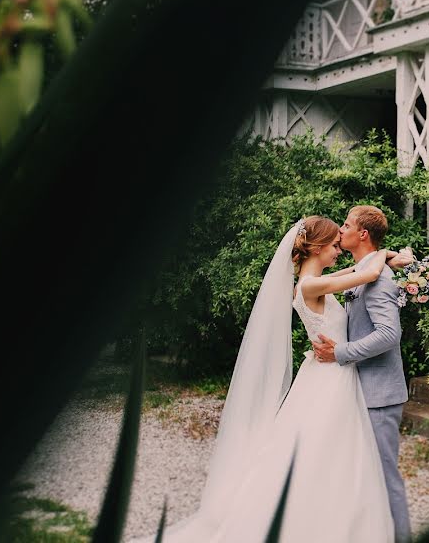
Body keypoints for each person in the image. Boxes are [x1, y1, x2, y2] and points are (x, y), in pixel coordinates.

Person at [132, 215, 413, 542]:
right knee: (328, 454)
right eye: (334, 246)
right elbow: (368, 273)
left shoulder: (311, 281)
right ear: (318, 247)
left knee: (328, 455)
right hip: (330, 377)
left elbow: (354, 272)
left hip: (330, 376)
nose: (338, 251)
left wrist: (384, 255)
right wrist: (382, 256)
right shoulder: (311, 285)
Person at [312, 205, 412, 543]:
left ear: (362, 234)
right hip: (361, 392)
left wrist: (339, 353)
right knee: (362, 478)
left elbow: (388, 334)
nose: (341, 230)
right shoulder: (368, 269)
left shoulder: (379, 279)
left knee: (385, 478)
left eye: (346, 224)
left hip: (380, 396)